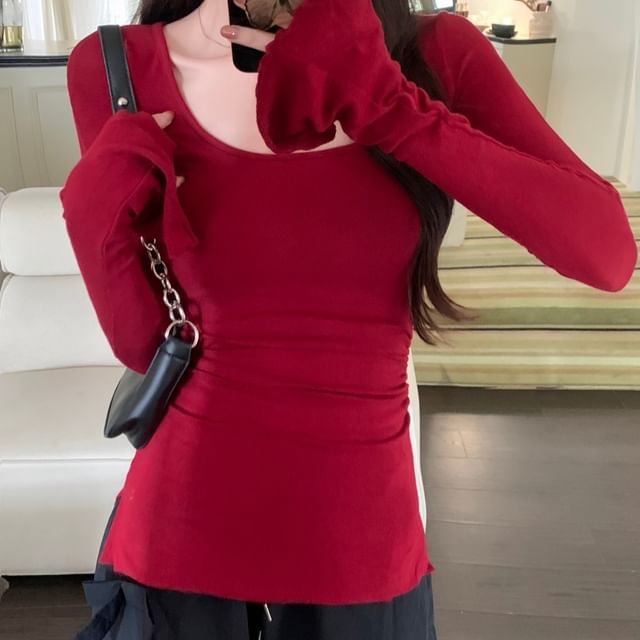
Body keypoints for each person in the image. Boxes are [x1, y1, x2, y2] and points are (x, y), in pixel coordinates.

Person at [62, 1, 637, 638]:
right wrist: (94, 218)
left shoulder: (432, 52)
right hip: (180, 539)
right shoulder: (114, 68)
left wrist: (393, 110)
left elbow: (606, 255)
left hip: (361, 544)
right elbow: (144, 343)